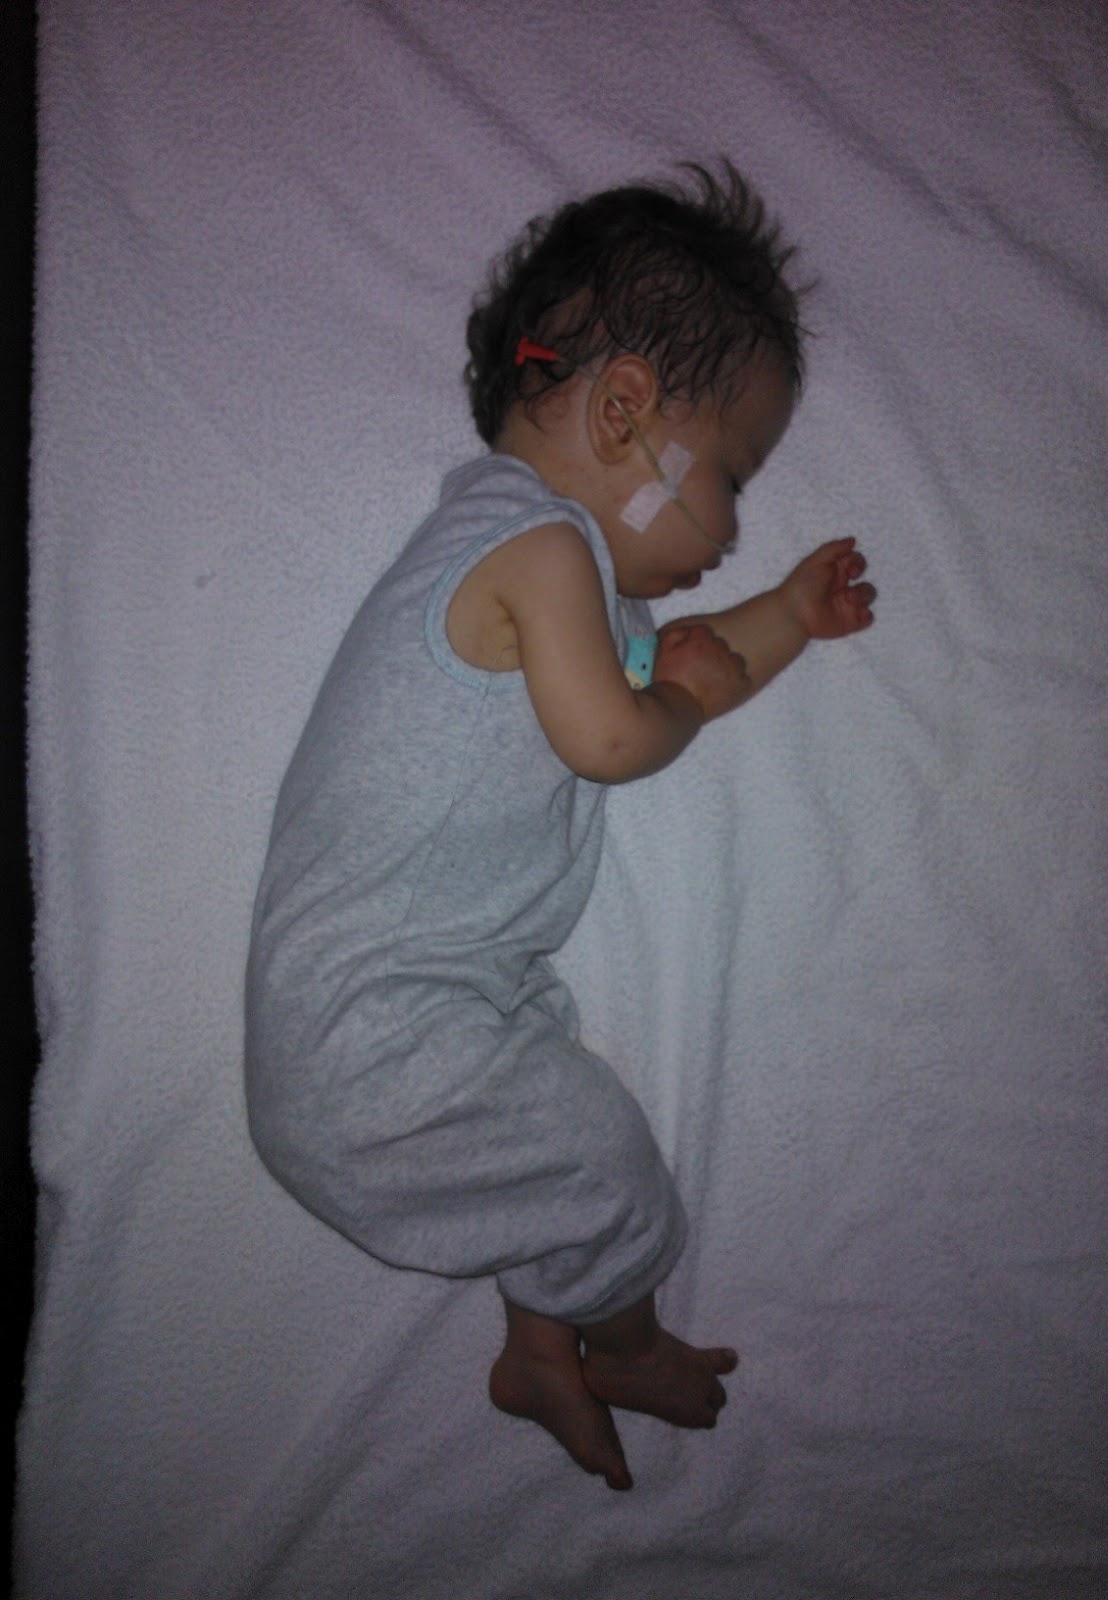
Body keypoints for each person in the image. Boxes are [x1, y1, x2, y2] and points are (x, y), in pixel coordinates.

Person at [244, 163, 875, 1492]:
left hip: (420, 1006)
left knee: (547, 1111)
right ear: (623, 409)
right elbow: (617, 735)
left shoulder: (554, 577)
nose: (734, 524)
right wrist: (681, 704)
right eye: (733, 473)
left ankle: (540, 1350)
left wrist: (786, 618)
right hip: (372, 1030)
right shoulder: (533, 552)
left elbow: (683, 667)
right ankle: (624, 1346)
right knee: (599, 1164)